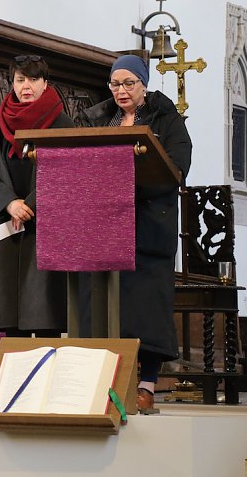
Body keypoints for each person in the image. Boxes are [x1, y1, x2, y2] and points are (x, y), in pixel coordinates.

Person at [78, 54, 192, 413]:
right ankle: (104, 381)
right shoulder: (98, 118)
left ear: (144, 84)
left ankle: (146, 384)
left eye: (129, 83)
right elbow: (82, 160)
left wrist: (127, 182)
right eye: (115, 84)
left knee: (146, 306)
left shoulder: (166, 118)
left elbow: (176, 167)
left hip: (148, 221)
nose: (122, 91)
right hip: (104, 223)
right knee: (103, 303)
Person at [0, 55, 73, 337]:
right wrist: (9, 203)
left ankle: (45, 379)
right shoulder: (0, 126)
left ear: (45, 83)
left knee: (45, 318)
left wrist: (28, 206)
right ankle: (17, 381)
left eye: (33, 79)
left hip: (44, 229)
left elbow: (65, 175)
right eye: (20, 80)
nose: (26, 86)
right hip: (7, 227)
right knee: (11, 320)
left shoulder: (61, 124)